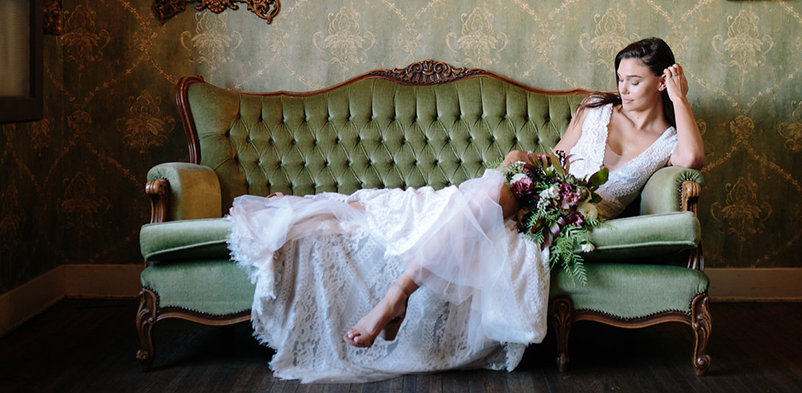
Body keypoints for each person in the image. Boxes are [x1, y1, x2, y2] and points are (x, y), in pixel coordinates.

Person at [228, 37, 704, 382]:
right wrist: (527, 162)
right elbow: (556, 157)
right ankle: (356, 254)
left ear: (663, 81)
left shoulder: (667, 140)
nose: (623, 88)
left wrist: (680, 99)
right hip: (536, 188)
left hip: (567, 214)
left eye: (635, 80)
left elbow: (692, 162)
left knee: (456, 208)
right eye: (619, 77)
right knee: (430, 205)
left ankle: (395, 298)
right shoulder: (595, 110)